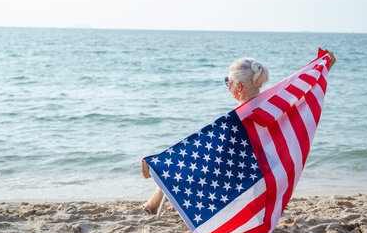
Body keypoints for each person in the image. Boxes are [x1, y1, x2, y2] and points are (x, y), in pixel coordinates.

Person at [141, 50, 336, 214]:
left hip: (232, 181)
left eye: (228, 81)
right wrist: (324, 68)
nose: (227, 85)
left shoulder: (238, 118)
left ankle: (151, 205)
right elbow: (301, 95)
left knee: (177, 165)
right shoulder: (270, 107)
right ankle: (153, 202)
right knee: (184, 161)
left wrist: (155, 163)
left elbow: (208, 152)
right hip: (258, 177)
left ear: (239, 86)